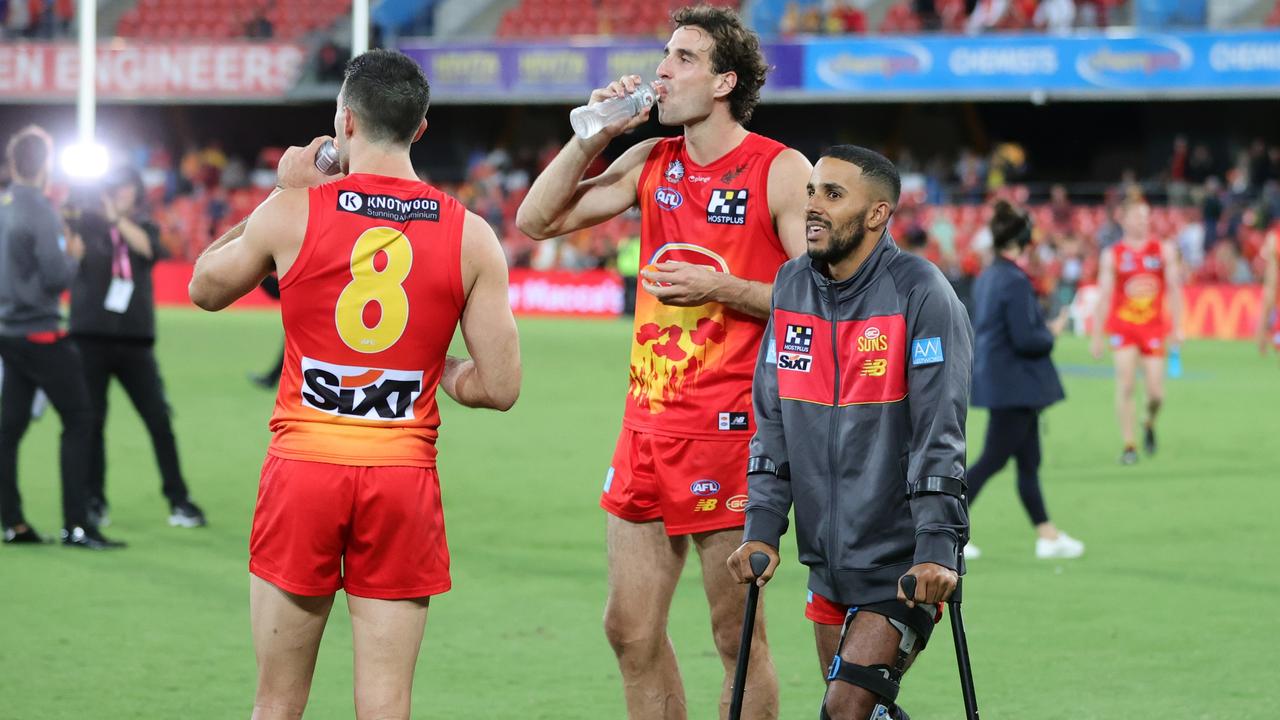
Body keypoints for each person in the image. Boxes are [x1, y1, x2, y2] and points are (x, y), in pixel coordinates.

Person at [188, 49, 521, 719]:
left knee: (277, 703)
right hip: (400, 478)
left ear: (343, 123)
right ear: (420, 128)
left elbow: (204, 285)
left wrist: (283, 190)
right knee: (386, 704)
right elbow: (500, 385)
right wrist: (440, 370)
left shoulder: (295, 211)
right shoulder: (472, 235)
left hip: (304, 471)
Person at [516, 6, 810, 717]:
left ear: (723, 81)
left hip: (731, 433)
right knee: (629, 629)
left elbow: (823, 303)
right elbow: (536, 220)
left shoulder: (779, 170)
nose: (662, 70)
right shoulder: (650, 160)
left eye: (681, 58)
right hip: (645, 428)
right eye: (665, 54)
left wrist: (725, 289)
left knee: (734, 633)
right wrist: (593, 136)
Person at [728, 146, 972, 720]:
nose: (813, 205)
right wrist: (762, 529)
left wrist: (938, 548)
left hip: (902, 563)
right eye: (812, 190)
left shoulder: (921, 293)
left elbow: (941, 430)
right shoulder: (790, 286)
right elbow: (773, 423)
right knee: (860, 715)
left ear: (877, 214)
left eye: (833, 195)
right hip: (826, 564)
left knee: (844, 709)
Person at [0, 126, 124, 549]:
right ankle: (77, 525)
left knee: (9, 428)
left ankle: (12, 522)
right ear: (45, 164)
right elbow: (55, 276)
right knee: (80, 419)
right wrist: (72, 258)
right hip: (40, 332)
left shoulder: (5, 204)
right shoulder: (39, 208)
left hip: (9, 332)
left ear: (14, 162)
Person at [68, 167, 206, 529]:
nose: (122, 193)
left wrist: (116, 219)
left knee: (159, 420)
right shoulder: (86, 224)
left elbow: (148, 250)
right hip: (90, 338)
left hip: (135, 341)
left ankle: (179, 499)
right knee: (92, 422)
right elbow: (69, 257)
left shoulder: (144, 226)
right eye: (116, 187)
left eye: (128, 188)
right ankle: (94, 500)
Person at [963, 200, 1082, 561]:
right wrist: (1052, 332)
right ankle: (944, 531)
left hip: (1005, 384)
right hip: (1014, 386)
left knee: (1028, 461)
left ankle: (1047, 534)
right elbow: (1027, 339)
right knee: (991, 461)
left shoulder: (989, 276)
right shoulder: (1014, 280)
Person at [1090, 199, 1183, 465]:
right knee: (1126, 384)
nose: (1143, 221)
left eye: (1146, 216)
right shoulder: (1113, 255)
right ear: (1125, 219)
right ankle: (1129, 445)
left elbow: (1175, 290)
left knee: (1156, 394)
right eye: (1138, 217)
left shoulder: (1163, 250)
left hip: (1153, 327)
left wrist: (1178, 327)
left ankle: (1149, 421)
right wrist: (1097, 336)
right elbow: (1104, 296)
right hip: (1124, 327)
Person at [1256, 226, 1278, 358]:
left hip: (1274, 279)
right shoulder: (1273, 237)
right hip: (1274, 280)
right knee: (1266, 309)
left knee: (1267, 309)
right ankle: (1261, 342)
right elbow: (1270, 264)